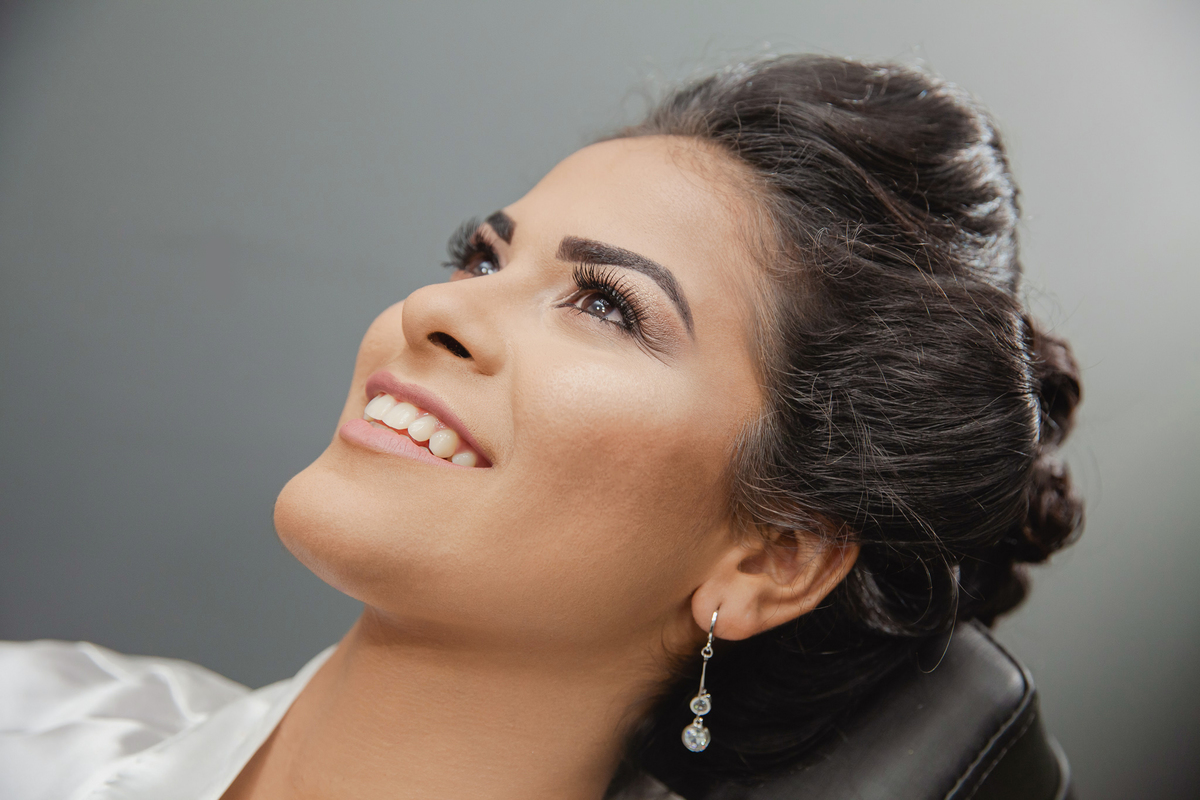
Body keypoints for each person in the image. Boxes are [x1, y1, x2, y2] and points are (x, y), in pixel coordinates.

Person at [0, 54, 1083, 800]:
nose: (437, 310)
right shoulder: (29, 713)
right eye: (483, 256)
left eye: (607, 304)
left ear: (772, 554)